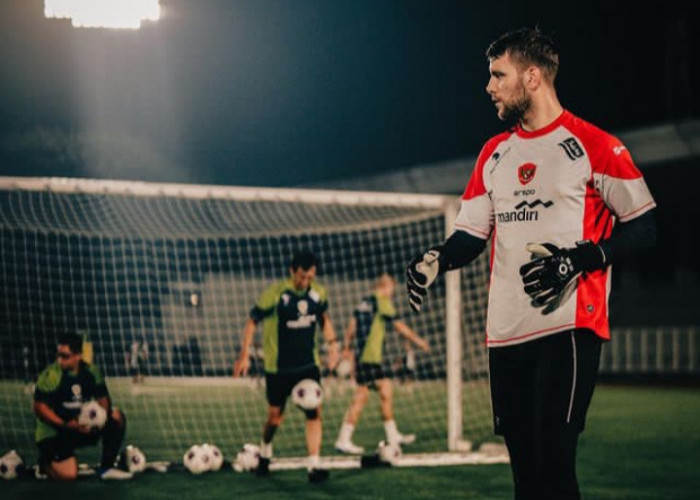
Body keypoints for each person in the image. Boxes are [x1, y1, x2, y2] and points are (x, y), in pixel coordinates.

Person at [406, 27, 656, 500]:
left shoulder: (595, 145)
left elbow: (644, 226)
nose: (489, 86)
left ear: (533, 77)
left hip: (569, 328)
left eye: (499, 75)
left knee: (555, 467)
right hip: (505, 332)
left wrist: (584, 257)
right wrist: (436, 259)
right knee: (525, 477)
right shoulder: (493, 154)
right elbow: (470, 235)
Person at [233, 250, 339, 483]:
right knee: (274, 418)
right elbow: (252, 321)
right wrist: (245, 355)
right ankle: (265, 451)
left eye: (310, 277)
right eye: (301, 276)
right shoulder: (274, 293)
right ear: (292, 271)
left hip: (308, 365)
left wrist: (333, 345)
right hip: (278, 367)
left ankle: (314, 466)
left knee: (314, 412)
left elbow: (324, 318)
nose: (305, 282)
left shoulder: (318, 293)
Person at [335, 273, 429, 455]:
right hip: (371, 358)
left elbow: (351, 327)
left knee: (382, 392)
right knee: (366, 396)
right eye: (392, 288)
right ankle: (344, 439)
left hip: (363, 357)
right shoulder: (382, 301)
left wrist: (347, 347)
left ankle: (390, 435)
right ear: (386, 286)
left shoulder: (363, 302)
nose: (392, 293)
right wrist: (418, 341)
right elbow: (398, 326)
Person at [33, 332, 132, 481]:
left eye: (65, 356)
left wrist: (99, 419)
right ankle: (44, 464)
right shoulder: (51, 375)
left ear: (78, 355)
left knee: (117, 417)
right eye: (58, 355)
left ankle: (107, 467)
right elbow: (40, 408)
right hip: (55, 432)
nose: (60, 360)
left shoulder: (91, 372)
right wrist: (65, 424)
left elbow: (104, 400)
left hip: (79, 427)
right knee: (69, 475)